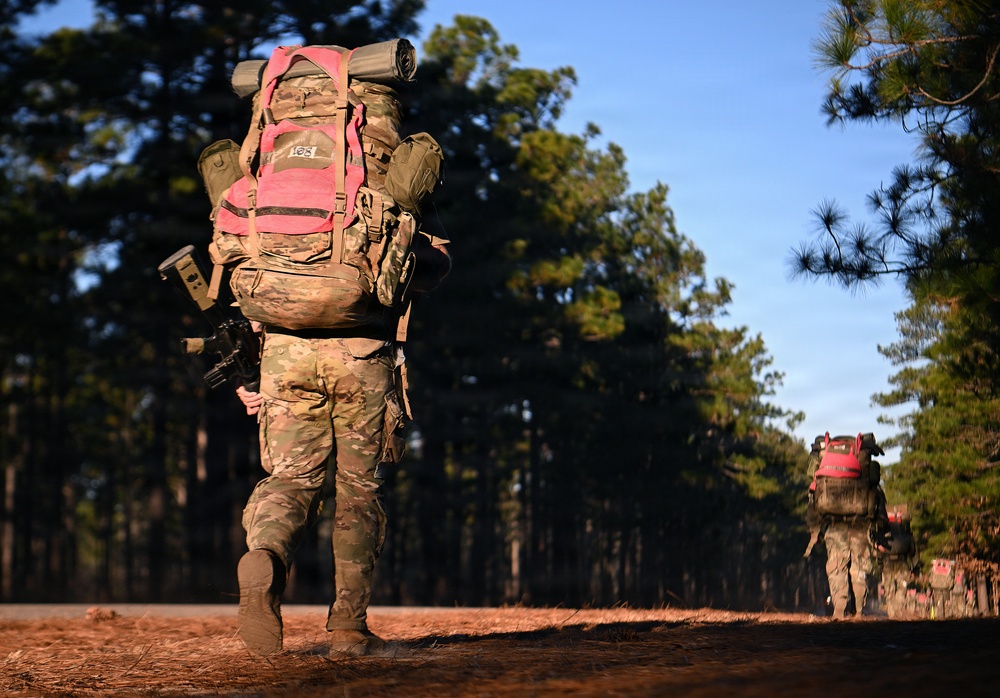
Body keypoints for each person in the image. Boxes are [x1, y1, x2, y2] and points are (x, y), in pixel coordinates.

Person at [233, 229, 450, 657]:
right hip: (362, 352)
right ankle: (349, 630)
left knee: (290, 478)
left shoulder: (271, 172)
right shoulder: (389, 173)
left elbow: (241, 266)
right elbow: (432, 269)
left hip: (282, 353)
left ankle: (267, 553)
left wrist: (247, 371)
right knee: (358, 492)